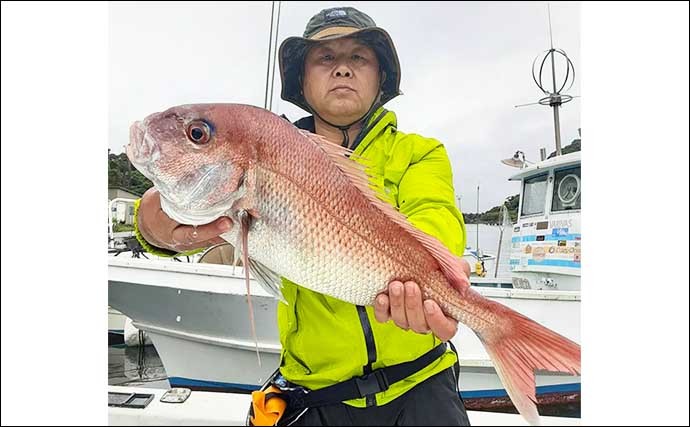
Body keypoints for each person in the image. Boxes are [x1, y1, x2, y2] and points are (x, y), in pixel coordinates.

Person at [133, 6, 470, 426]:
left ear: (380, 77)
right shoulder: (271, 154)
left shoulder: (420, 152)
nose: (342, 69)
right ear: (302, 81)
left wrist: (427, 279)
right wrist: (154, 221)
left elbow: (438, 220)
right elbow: (161, 221)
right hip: (317, 396)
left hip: (423, 384)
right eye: (325, 58)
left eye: (359, 58)